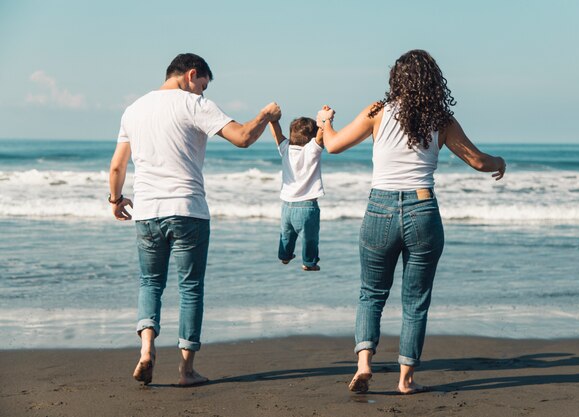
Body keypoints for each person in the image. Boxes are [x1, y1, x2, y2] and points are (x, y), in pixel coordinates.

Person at [316, 49, 506, 394]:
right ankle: (405, 380)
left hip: (379, 209)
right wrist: (500, 162)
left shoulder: (377, 111)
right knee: (416, 300)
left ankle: (364, 364)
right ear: (433, 81)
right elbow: (478, 161)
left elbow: (333, 146)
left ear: (395, 79)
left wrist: (325, 121)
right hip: (422, 211)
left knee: (371, 293)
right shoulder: (441, 119)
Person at [108, 53, 281, 386]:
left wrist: (115, 200)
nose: (201, 92)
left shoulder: (133, 110)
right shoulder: (195, 105)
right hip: (188, 210)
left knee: (149, 283)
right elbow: (243, 137)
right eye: (201, 85)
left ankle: (146, 349)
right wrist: (266, 114)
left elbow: (117, 166)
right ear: (190, 75)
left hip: (147, 213)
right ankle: (186, 371)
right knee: (190, 289)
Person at [269, 116, 324, 271]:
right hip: (307, 207)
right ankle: (309, 263)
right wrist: (325, 120)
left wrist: (273, 120)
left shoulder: (286, 148)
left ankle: (285, 256)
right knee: (309, 239)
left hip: (286, 206)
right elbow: (321, 136)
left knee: (286, 235)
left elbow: (276, 135)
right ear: (312, 137)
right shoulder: (312, 149)